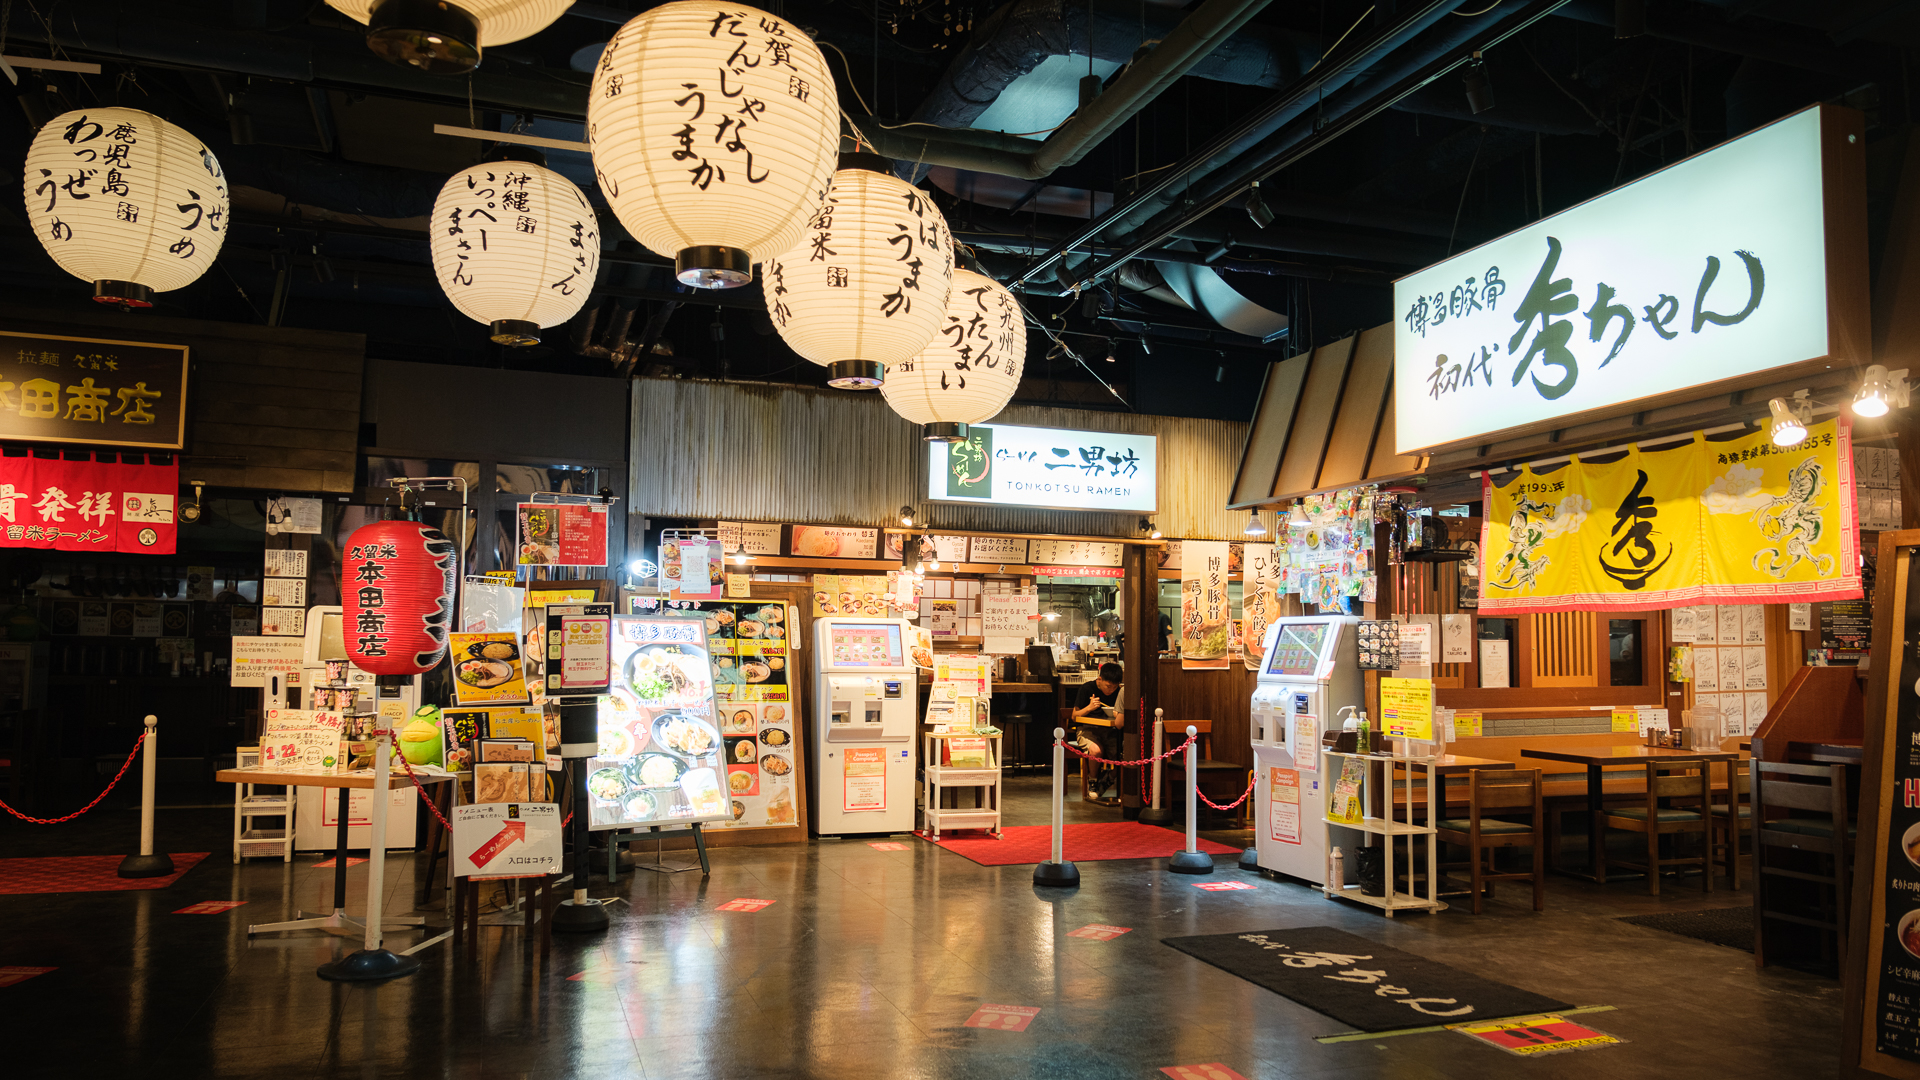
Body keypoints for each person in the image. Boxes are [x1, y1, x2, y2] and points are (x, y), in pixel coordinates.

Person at [1070, 663, 1124, 799]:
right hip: (1087, 730)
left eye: (1115, 687)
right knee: (1096, 750)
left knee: (1124, 755)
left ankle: (1108, 779)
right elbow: (1074, 716)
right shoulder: (1087, 689)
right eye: (1108, 686)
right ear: (1099, 679)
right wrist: (1089, 708)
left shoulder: (1120, 692)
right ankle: (1093, 781)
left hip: (1110, 731)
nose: (1111, 690)